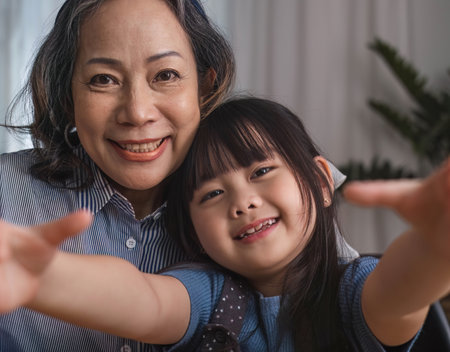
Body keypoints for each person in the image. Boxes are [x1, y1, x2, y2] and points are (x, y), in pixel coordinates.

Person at [1, 97, 449, 351]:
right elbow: (144, 300)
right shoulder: (211, 295)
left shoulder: (352, 292)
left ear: (319, 180)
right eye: (212, 194)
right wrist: (45, 276)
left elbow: (400, 293)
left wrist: (434, 248)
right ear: (193, 229)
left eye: (261, 172)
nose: (242, 202)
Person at [0, 0, 236, 351]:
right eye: (103, 80)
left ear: (204, 86)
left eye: (166, 75)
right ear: (68, 97)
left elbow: (334, 293)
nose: (138, 113)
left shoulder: (255, 204)